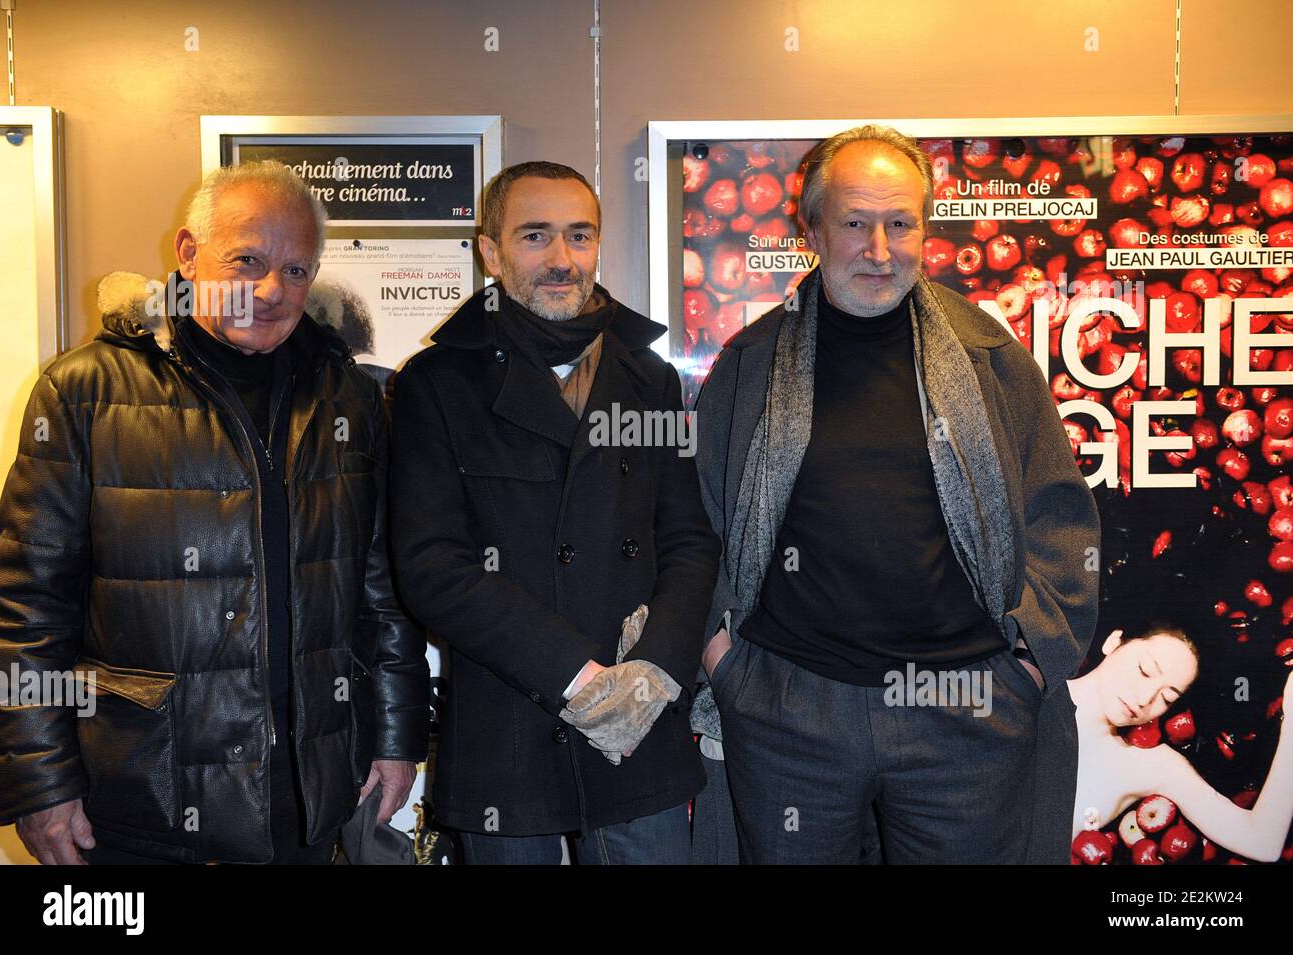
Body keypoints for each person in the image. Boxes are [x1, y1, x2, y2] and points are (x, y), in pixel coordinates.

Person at [0, 160, 429, 864]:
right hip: (139, 798)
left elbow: (383, 594)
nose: (270, 290)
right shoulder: (84, 392)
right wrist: (37, 781)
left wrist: (397, 737)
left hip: (307, 793)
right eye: (248, 260)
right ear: (188, 255)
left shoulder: (347, 400)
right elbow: (24, 608)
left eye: (295, 270)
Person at [692, 124, 1101, 864]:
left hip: (969, 709)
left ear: (925, 227)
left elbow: (1062, 519)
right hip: (790, 710)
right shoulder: (751, 364)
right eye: (854, 222)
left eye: (900, 223)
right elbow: (695, 530)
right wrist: (730, 670)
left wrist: (1027, 665)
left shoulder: (991, 359)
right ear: (811, 227)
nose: (878, 250)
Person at [390, 160, 719, 864]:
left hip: (641, 727)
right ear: (491, 250)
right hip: (508, 726)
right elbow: (431, 567)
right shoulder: (437, 383)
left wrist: (657, 667)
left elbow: (689, 540)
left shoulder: (651, 379)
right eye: (536, 236)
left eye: (580, 235)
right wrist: (579, 677)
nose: (562, 259)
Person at [1071, 627, 1293, 862]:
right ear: (1113, 642)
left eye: (1167, 697)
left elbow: (1261, 842)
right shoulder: (1031, 696)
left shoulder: (1146, 764)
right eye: (1144, 671)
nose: (1145, 698)